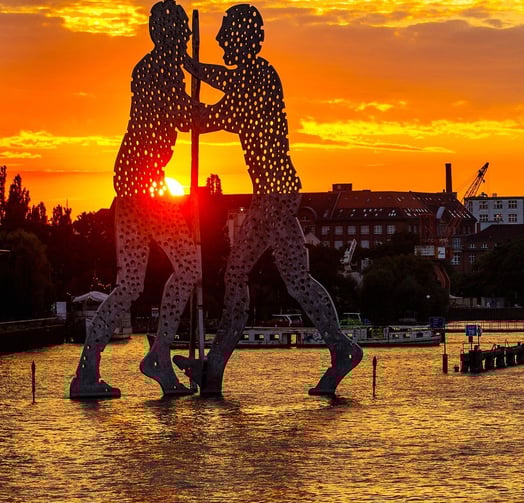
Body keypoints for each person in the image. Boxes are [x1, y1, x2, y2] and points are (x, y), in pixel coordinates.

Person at [176, 4, 362, 395]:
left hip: (274, 197)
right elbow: (223, 79)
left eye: (227, 33)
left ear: (243, 38)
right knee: (296, 279)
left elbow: (213, 115)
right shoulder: (250, 75)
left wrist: (182, 103)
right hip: (275, 194)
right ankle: (340, 347)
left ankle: (214, 369)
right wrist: (191, 66)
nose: (221, 40)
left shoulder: (258, 78)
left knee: (237, 275)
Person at [71, 0, 198, 398]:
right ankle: (158, 356)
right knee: (191, 268)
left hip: (134, 184)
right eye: (183, 35)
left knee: (128, 285)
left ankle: (87, 373)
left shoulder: (155, 67)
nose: (187, 42)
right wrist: (232, 112)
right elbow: (185, 116)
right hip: (142, 187)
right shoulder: (157, 69)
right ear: (166, 35)